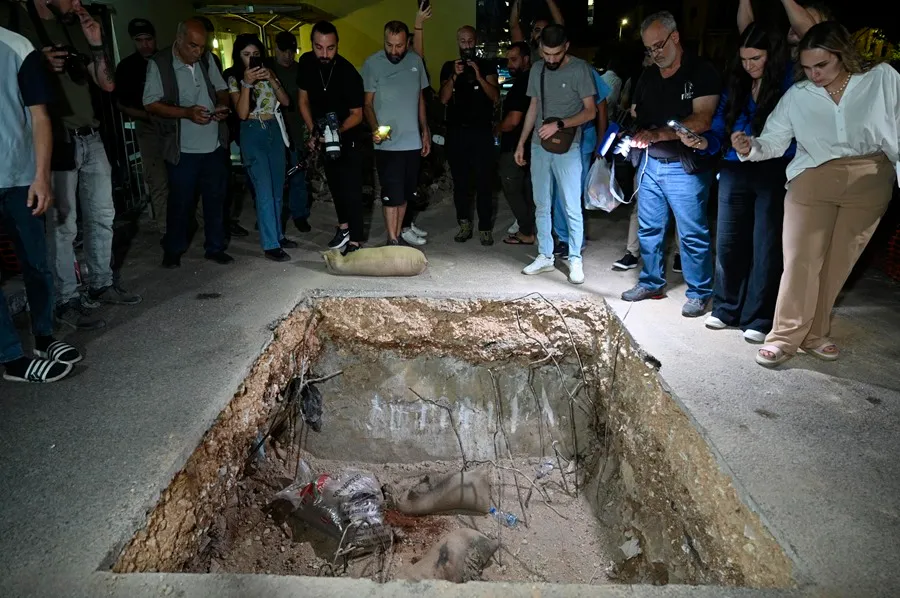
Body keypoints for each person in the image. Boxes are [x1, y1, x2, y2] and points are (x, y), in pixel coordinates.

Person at [731, 22, 900, 367]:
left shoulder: (881, 79)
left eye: (821, 65)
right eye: (807, 67)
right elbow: (774, 142)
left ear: (842, 54)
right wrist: (751, 146)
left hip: (870, 178)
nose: (814, 74)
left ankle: (815, 334)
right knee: (800, 263)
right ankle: (782, 338)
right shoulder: (799, 95)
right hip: (812, 178)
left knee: (838, 266)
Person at [10, 0, 138, 331]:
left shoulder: (74, 25)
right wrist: (38, 63)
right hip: (56, 137)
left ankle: (101, 282)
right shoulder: (16, 21)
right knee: (63, 225)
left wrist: (95, 41)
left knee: (102, 214)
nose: (78, 3)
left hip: (90, 134)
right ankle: (66, 299)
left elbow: (107, 83)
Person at [683, 23, 792, 344]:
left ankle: (759, 317)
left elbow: (791, 135)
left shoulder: (788, 84)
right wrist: (704, 144)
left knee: (765, 245)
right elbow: (718, 131)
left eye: (756, 58)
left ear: (772, 56)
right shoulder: (737, 84)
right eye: (744, 59)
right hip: (733, 170)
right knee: (729, 242)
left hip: (773, 168)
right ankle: (727, 307)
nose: (750, 65)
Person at [619, 12, 720, 318]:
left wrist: (658, 134)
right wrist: (632, 133)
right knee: (649, 228)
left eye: (659, 45)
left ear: (675, 37)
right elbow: (637, 114)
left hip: (684, 166)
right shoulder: (649, 76)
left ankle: (700, 292)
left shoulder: (701, 71)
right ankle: (651, 282)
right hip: (650, 163)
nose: (655, 53)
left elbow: (702, 119)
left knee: (691, 233)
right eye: (649, 49)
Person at [1, 25, 81, 383]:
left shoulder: (16, 47)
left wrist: (42, 177)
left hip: (19, 177)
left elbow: (39, 116)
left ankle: (45, 338)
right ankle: (12, 359)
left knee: (36, 262)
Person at [143, 18, 233, 269]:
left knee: (216, 200)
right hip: (184, 149)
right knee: (180, 203)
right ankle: (173, 249)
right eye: (193, 46)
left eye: (202, 47)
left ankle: (215, 248)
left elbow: (221, 88)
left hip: (213, 145)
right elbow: (150, 104)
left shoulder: (207, 59)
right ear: (179, 40)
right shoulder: (159, 63)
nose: (198, 51)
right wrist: (186, 113)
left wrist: (222, 106)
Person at [514, 24, 597, 285]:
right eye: (546, 54)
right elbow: (532, 108)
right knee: (541, 203)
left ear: (566, 47)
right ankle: (545, 255)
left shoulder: (580, 69)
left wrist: (560, 123)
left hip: (567, 146)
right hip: (539, 146)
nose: (550, 59)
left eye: (556, 54)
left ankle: (575, 258)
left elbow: (591, 111)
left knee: (571, 205)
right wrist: (521, 143)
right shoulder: (537, 69)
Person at [297, 21, 365, 254]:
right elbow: (303, 100)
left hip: (349, 135)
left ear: (337, 45)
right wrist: (314, 131)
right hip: (324, 134)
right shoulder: (306, 63)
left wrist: (335, 132)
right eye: (319, 48)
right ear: (311, 45)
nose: (325, 54)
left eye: (331, 48)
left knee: (352, 189)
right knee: (335, 185)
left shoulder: (348, 73)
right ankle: (344, 228)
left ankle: (355, 240)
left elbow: (357, 115)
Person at [363, 20, 431, 246]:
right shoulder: (372, 63)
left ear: (407, 42)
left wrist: (425, 130)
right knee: (391, 195)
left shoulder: (416, 62)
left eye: (399, 46)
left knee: (405, 195)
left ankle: (398, 235)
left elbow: (420, 99)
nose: (394, 51)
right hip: (387, 143)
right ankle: (392, 239)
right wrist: (374, 128)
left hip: (411, 141)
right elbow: (367, 104)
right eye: (389, 45)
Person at [226, 35, 294, 262]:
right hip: (252, 132)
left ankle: (278, 235)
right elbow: (242, 113)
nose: (251, 59)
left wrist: (273, 78)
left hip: (273, 129)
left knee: (276, 188)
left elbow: (285, 102)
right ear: (238, 56)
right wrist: (246, 84)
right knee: (263, 189)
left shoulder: (268, 73)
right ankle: (270, 244)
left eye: (255, 55)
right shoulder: (235, 78)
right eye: (246, 55)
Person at [439, 25, 499, 245]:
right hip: (457, 133)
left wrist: (479, 75)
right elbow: (443, 99)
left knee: (484, 182)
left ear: (476, 42)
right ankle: (464, 224)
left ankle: (485, 227)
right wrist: (455, 76)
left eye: (470, 41)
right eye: (463, 41)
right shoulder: (449, 67)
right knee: (461, 183)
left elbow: (495, 97)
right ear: (458, 42)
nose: (467, 46)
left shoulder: (486, 65)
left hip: (482, 133)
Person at [549, 63, 609, 259]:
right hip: (556, 137)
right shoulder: (546, 69)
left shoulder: (585, 70)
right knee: (557, 190)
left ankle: (573, 240)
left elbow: (601, 107)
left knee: (570, 192)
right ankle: (563, 237)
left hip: (583, 137)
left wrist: (601, 142)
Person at [115, 18, 168, 234]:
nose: (145, 44)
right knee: (158, 180)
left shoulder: (166, 60)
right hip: (147, 127)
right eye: (140, 40)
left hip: (173, 125)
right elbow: (121, 104)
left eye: (148, 39)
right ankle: (166, 228)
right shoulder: (127, 67)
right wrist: (147, 115)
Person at [272, 31, 311, 234]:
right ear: (275, 49)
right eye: (283, 51)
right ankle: (273, 216)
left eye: (291, 51)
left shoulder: (300, 70)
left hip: (296, 131)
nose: (288, 56)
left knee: (298, 176)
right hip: (274, 132)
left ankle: (299, 215)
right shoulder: (268, 69)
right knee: (274, 179)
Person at [498, 41, 535, 246]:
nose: (509, 64)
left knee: (512, 189)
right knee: (528, 191)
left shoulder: (523, 83)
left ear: (526, 59)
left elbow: (513, 121)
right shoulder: (533, 79)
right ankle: (531, 230)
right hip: (531, 145)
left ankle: (526, 230)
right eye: (508, 59)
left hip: (516, 146)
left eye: (514, 59)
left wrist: (496, 128)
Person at [738, 0, 832, 56]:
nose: (795, 24)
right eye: (794, 19)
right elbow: (749, 36)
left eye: (808, 19)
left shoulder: (819, 63)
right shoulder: (778, 57)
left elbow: (810, 33)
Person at [510, 0, 564, 64]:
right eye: (537, 30)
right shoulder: (527, 51)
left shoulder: (557, 47)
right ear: (532, 34)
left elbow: (560, 24)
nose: (541, 33)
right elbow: (513, 26)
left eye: (545, 30)